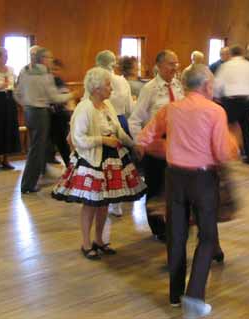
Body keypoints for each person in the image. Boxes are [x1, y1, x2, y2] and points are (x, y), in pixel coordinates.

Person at [137, 64, 238, 318]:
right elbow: (223, 152)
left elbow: (144, 139)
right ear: (205, 85)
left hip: (174, 178)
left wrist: (169, 147)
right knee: (206, 237)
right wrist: (234, 141)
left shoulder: (169, 109)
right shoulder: (215, 111)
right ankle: (193, 298)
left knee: (177, 235)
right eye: (212, 84)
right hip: (203, 179)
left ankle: (174, 296)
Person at [52, 67, 146, 260]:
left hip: (111, 158)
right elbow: (78, 139)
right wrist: (102, 140)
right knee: (90, 204)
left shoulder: (107, 105)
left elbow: (118, 130)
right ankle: (86, 243)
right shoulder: (84, 108)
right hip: (92, 161)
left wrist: (132, 144)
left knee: (104, 203)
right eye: (107, 85)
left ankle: (99, 240)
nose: (111, 89)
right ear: (96, 88)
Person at [129, 50, 184, 241]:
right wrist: (140, 143)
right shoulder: (150, 88)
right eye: (171, 63)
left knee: (173, 187)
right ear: (159, 66)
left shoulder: (178, 86)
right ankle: (158, 228)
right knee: (155, 186)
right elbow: (135, 119)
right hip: (155, 143)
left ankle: (172, 223)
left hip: (175, 144)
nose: (175, 67)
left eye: (176, 63)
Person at [15, 47, 77, 194]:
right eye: (49, 58)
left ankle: (31, 180)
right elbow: (54, 97)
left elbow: (17, 93)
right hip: (40, 113)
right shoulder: (45, 74)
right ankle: (28, 185)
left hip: (28, 112)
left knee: (35, 148)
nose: (51, 61)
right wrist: (72, 95)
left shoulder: (24, 71)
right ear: (42, 59)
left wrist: (26, 104)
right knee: (36, 150)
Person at [95, 50, 135, 217]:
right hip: (120, 120)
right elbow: (129, 108)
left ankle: (101, 194)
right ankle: (117, 202)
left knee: (102, 162)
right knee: (119, 163)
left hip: (101, 121)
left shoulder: (95, 80)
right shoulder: (122, 81)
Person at [214, 45, 249, 164]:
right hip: (246, 101)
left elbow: (218, 85)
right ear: (242, 53)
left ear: (231, 54)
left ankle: (227, 153)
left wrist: (217, 98)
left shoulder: (225, 66)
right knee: (246, 130)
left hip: (230, 102)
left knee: (227, 128)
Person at [47, 58, 73, 167]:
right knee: (51, 141)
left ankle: (70, 165)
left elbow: (64, 98)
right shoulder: (48, 81)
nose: (54, 72)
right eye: (52, 69)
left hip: (59, 115)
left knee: (62, 142)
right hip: (51, 115)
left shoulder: (59, 81)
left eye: (56, 69)